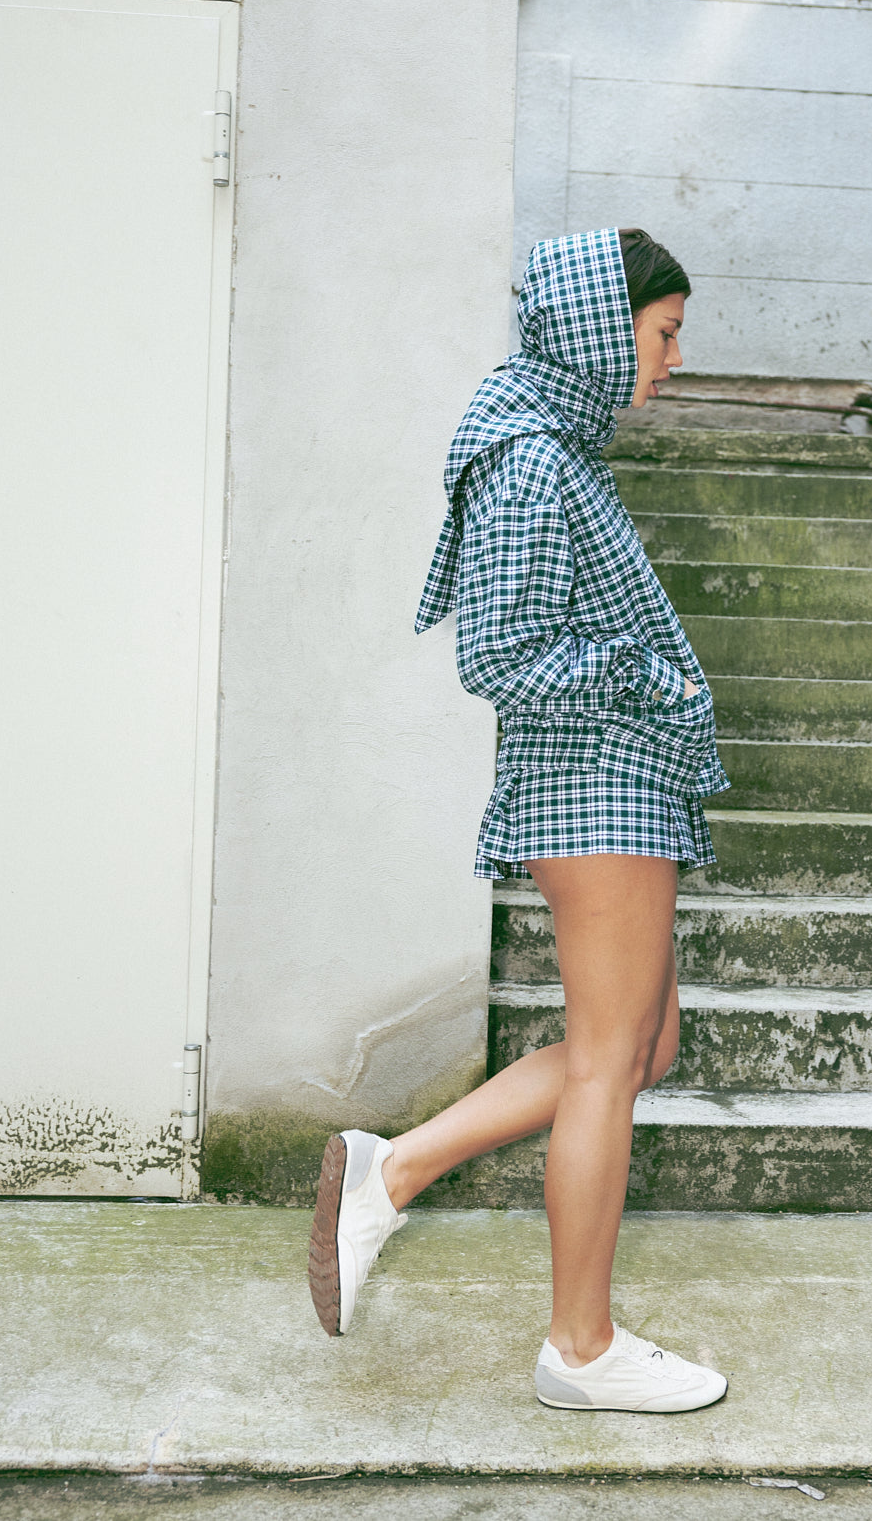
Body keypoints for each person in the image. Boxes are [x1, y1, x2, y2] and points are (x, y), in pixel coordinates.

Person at [308, 227, 731, 1413]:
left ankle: (392, 1172)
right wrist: (655, 678)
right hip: (592, 782)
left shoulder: (554, 448)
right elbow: (498, 653)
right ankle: (580, 1347)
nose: (674, 358)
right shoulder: (531, 457)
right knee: (608, 1059)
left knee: (640, 1046)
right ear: (605, 324)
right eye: (662, 333)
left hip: (612, 783)